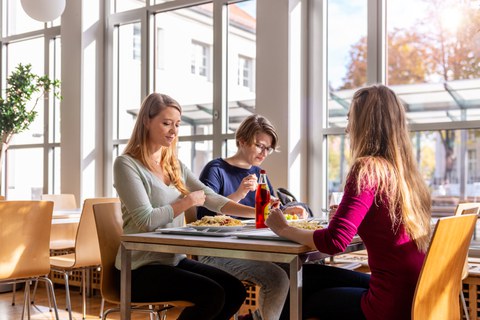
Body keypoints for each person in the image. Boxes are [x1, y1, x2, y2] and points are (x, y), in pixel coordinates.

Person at [267, 84, 431, 320]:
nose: (347, 128)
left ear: (365, 124)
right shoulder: (406, 173)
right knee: (309, 276)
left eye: (350, 119)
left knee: (303, 297)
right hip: (414, 289)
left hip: (388, 303)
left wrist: (283, 228)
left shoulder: (367, 168)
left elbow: (335, 242)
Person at [114, 92, 261, 320]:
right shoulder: (126, 164)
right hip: (137, 269)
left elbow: (213, 198)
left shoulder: (174, 165)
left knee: (234, 290)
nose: (173, 131)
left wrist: (260, 212)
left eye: (177, 124)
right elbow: (146, 221)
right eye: (166, 123)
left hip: (173, 260)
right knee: (212, 295)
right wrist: (187, 202)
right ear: (146, 121)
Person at [197, 114, 307, 320]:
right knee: (277, 279)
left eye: (268, 148)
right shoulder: (216, 169)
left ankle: (258, 317)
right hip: (216, 252)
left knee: (295, 265)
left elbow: (270, 211)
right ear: (242, 141)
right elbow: (202, 216)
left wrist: (286, 210)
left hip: (252, 248)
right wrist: (239, 193)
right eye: (259, 146)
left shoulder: (259, 172)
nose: (264, 153)